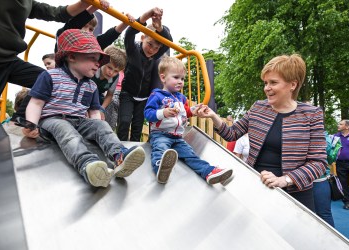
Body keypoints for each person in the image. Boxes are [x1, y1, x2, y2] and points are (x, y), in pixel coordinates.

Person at [197, 54, 327, 211]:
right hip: (257, 187)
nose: (267, 88)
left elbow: (318, 163)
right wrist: (213, 116)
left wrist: (285, 180)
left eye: (273, 82)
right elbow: (232, 134)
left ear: (292, 85)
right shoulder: (258, 107)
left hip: (295, 194)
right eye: (265, 83)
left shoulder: (311, 114)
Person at [22, 29, 145, 188]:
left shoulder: (91, 85)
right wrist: (31, 123)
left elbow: (94, 111)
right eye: (93, 58)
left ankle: (119, 156)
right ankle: (87, 165)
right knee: (66, 130)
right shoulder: (51, 76)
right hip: (53, 120)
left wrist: (96, 131)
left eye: (99, 60)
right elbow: (36, 103)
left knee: (101, 124)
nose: (98, 63)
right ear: (72, 56)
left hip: (79, 121)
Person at [0, 0, 93, 112]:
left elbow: (57, 13)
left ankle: (19, 120)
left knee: (49, 81)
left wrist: (87, 3)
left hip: (9, 58)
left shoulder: (27, 2)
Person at [144, 56, 233, 184]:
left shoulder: (181, 98)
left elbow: (185, 112)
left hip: (178, 137)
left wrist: (193, 110)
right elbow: (148, 113)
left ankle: (208, 172)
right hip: (160, 134)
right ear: (163, 78)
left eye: (182, 78)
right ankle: (160, 168)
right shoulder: (157, 95)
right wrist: (163, 112)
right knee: (161, 149)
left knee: (190, 155)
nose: (180, 81)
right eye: (176, 77)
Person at [118, 7, 173, 142]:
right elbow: (130, 33)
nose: (152, 50)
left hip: (143, 98)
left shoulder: (154, 55)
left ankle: (134, 152)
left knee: (137, 127)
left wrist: (159, 27)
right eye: (150, 44)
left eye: (156, 48)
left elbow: (168, 42)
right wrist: (147, 15)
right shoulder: (133, 51)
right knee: (124, 122)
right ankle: (119, 150)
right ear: (143, 38)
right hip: (128, 94)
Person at [92, 46, 126, 122]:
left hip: (98, 97)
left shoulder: (115, 77)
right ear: (103, 61)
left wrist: (102, 109)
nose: (111, 73)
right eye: (109, 67)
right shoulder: (93, 68)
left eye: (116, 71)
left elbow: (110, 95)